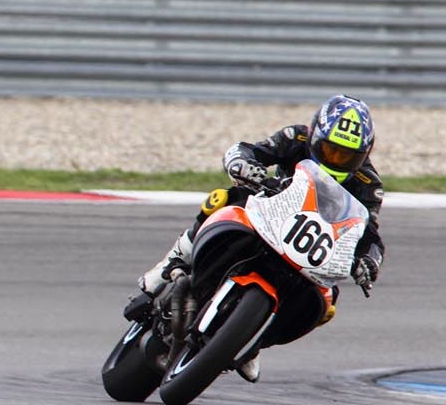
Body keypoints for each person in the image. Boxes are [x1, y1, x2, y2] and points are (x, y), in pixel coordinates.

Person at [133, 93, 384, 382]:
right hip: (271, 212)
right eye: (330, 150)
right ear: (315, 136)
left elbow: (371, 234)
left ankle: (255, 338)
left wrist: (368, 262)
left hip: (310, 249)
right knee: (222, 198)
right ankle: (170, 264)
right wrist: (245, 165)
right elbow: (247, 150)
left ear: (364, 155)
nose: (336, 160)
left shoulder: (369, 185)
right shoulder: (295, 138)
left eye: (346, 156)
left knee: (328, 304)